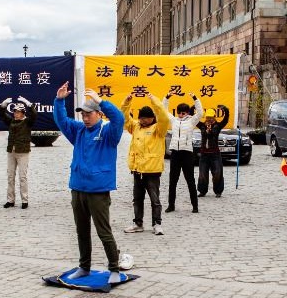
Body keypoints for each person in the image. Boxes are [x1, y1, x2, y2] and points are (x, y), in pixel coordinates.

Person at [53, 82, 126, 283]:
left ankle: (114, 269)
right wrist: (59, 101)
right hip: (78, 187)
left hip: (98, 190)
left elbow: (119, 118)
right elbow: (62, 121)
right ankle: (84, 267)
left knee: (104, 231)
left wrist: (101, 102)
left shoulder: (109, 133)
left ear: (99, 114)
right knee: (82, 231)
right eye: (83, 115)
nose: (85, 118)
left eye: (89, 114)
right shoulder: (79, 131)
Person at [122, 92, 172, 235]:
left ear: (152, 118)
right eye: (141, 118)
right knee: (137, 199)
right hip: (137, 170)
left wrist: (154, 101)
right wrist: (126, 103)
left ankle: (157, 224)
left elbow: (164, 116)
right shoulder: (135, 127)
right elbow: (124, 118)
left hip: (152, 171)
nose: (142, 121)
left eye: (145, 118)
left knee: (155, 200)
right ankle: (138, 224)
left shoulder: (159, 129)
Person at [164, 93, 203, 213]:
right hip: (175, 153)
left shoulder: (191, 121)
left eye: (183, 113)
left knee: (190, 180)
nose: (181, 115)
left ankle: (195, 206)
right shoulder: (174, 121)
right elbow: (164, 110)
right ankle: (171, 205)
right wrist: (167, 97)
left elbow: (200, 113)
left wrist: (195, 99)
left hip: (187, 153)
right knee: (172, 181)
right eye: (179, 113)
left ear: (187, 113)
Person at [0, 97, 37, 209]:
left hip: (23, 152)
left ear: (23, 113)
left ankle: (25, 200)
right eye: (15, 111)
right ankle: (10, 200)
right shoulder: (11, 121)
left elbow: (34, 115)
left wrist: (28, 103)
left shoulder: (27, 122)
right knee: (10, 176)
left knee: (22, 177)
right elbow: (2, 115)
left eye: (18, 112)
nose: (16, 113)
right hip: (11, 152)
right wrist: (3, 106)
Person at [196, 104, 230, 198]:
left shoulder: (217, 126)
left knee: (217, 173)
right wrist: (193, 108)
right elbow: (194, 119)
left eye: (211, 117)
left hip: (215, 154)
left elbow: (226, 119)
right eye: (207, 117)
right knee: (202, 173)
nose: (209, 119)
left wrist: (225, 110)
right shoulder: (202, 126)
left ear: (214, 117)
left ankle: (218, 191)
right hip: (204, 154)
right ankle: (202, 191)